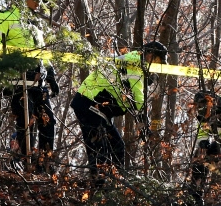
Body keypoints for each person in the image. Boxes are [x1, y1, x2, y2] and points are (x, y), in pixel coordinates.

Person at [70, 41, 168, 186]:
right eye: (157, 61)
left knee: (117, 146)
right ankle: (99, 185)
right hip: (89, 103)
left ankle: (118, 183)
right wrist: (144, 125)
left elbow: (130, 96)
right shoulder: (134, 63)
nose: (155, 67)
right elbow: (138, 98)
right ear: (150, 54)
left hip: (100, 110)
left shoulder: (136, 63)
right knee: (99, 147)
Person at [0, 0, 60, 172]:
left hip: (38, 82)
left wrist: (51, 75)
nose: (38, 4)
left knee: (48, 121)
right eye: (34, 0)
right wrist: (5, 72)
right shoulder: (4, 17)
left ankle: (43, 164)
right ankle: (23, 162)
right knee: (25, 122)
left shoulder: (35, 22)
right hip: (17, 81)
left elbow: (42, 51)